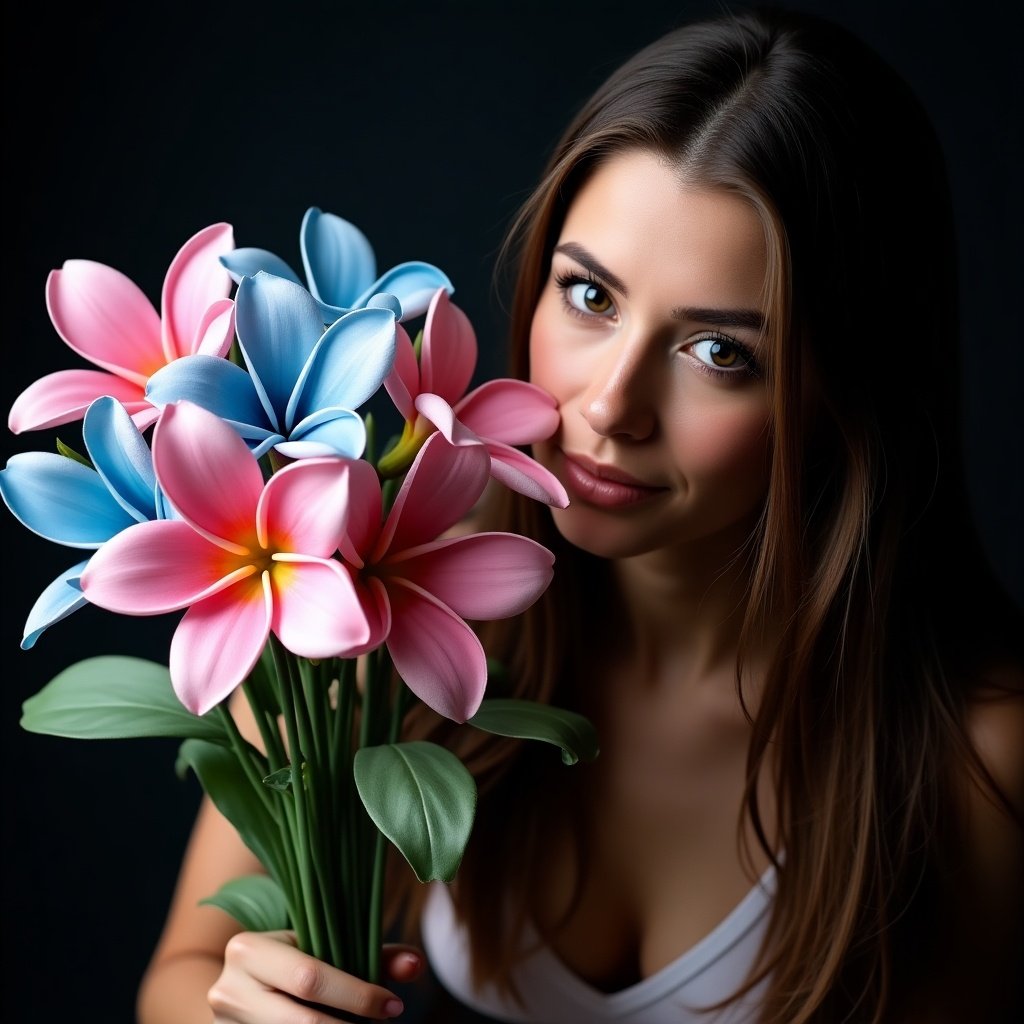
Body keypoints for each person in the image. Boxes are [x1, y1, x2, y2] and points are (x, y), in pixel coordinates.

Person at [135, 5, 1024, 1023]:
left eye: (719, 352)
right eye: (590, 297)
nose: (608, 407)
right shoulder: (359, 610)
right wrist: (235, 1005)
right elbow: (182, 969)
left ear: (847, 392)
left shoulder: (975, 759)